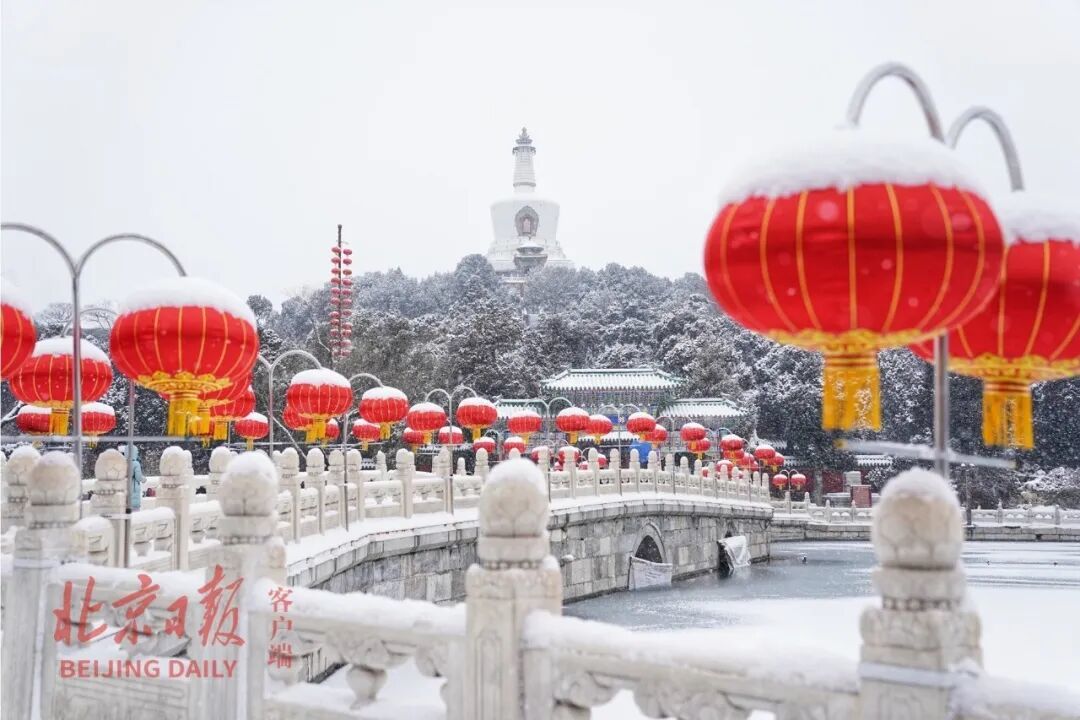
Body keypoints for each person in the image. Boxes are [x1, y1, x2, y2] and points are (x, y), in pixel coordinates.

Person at [119, 445, 144, 512]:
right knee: (135, 512)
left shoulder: (122, 463)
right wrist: (143, 479)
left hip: (124, 488)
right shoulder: (136, 464)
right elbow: (138, 477)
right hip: (133, 489)